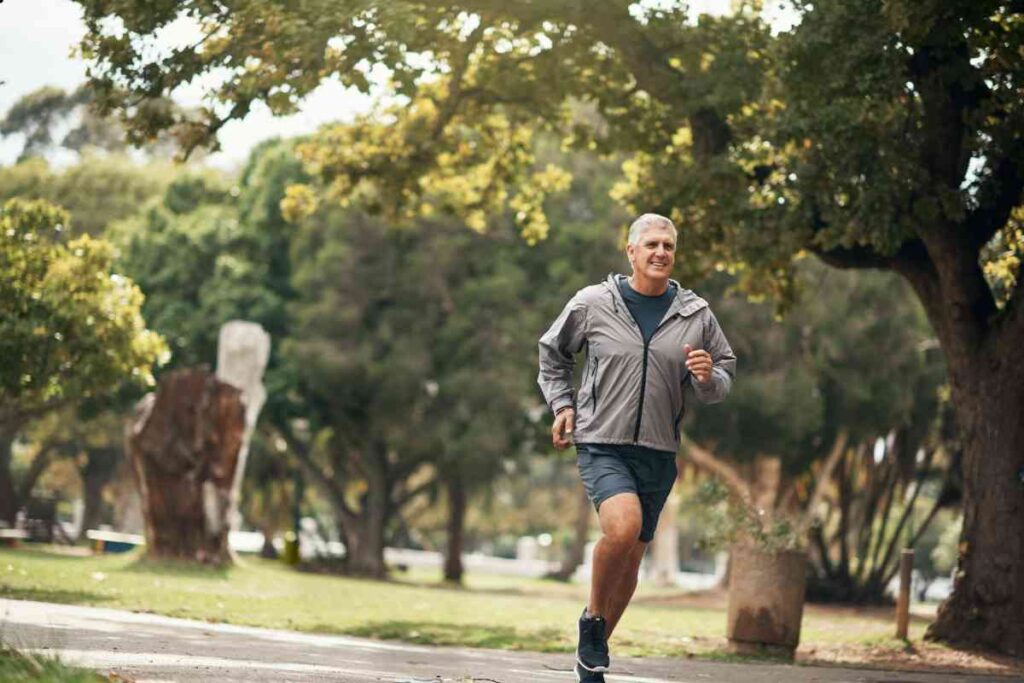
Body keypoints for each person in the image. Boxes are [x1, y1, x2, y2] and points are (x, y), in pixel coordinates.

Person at [537, 213, 736, 682]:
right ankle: (591, 622)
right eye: (651, 244)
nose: (660, 252)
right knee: (622, 529)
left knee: (633, 557)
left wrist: (709, 377)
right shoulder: (593, 303)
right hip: (601, 441)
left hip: (659, 450)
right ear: (631, 252)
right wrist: (562, 404)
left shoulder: (696, 314)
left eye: (668, 245)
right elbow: (553, 354)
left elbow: (721, 377)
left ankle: (591, 659)